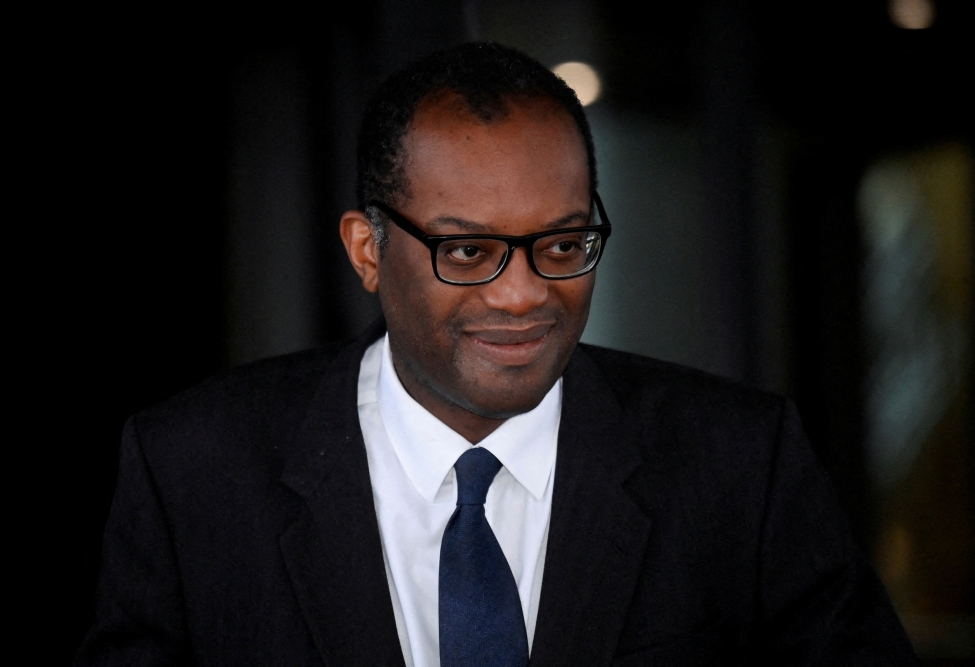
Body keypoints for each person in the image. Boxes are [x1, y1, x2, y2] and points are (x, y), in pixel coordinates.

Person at [77, 42, 916, 666]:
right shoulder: (192, 471)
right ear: (367, 250)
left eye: (561, 243)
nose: (522, 293)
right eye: (469, 251)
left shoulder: (740, 465)